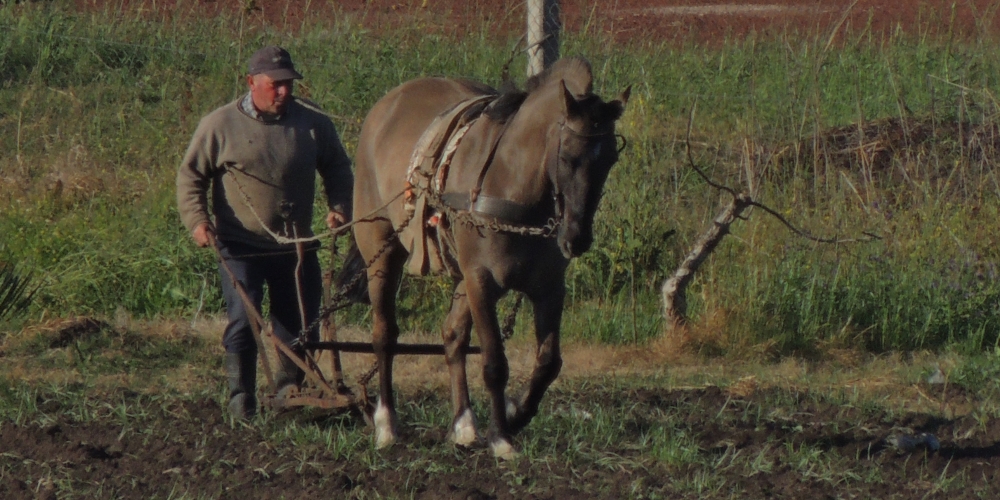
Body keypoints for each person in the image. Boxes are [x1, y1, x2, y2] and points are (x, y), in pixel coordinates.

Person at [176, 46, 353, 420]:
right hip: (240, 247)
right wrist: (198, 221)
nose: (284, 92)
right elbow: (191, 176)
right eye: (276, 85)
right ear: (251, 83)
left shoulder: (312, 124)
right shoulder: (220, 125)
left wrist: (339, 208)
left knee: (300, 321)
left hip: (296, 247)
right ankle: (241, 398)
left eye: (289, 84)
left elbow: (338, 168)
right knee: (244, 319)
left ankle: (290, 391)